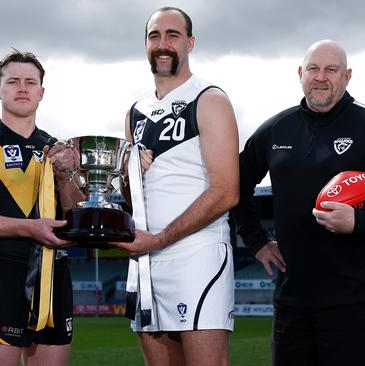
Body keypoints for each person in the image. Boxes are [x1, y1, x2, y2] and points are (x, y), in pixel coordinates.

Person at [231, 40, 365, 366]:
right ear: (300, 74)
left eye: (331, 69)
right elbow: (233, 186)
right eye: (314, 69)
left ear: (347, 76)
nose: (321, 77)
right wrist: (256, 241)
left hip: (354, 307)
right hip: (291, 306)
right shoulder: (276, 129)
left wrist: (358, 222)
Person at [114, 7, 240, 366]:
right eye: (155, 36)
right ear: (145, 45)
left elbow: (227, 191)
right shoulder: (134, 113)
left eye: (173, 35)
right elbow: (132, 199)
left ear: (190, 43)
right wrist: (128, 176)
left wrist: (160, 239)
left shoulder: (209, 99)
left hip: (196, 257)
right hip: (146, 262)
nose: (163, 43)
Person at [0, 50, 82, 366]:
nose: (22, 88)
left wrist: (65, 177)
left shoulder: (60, 149)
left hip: (54, 272)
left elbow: (79, 221)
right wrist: (27, 228)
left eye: (30, 82)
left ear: (41, 93)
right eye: (13, 81)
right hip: (4, 272)